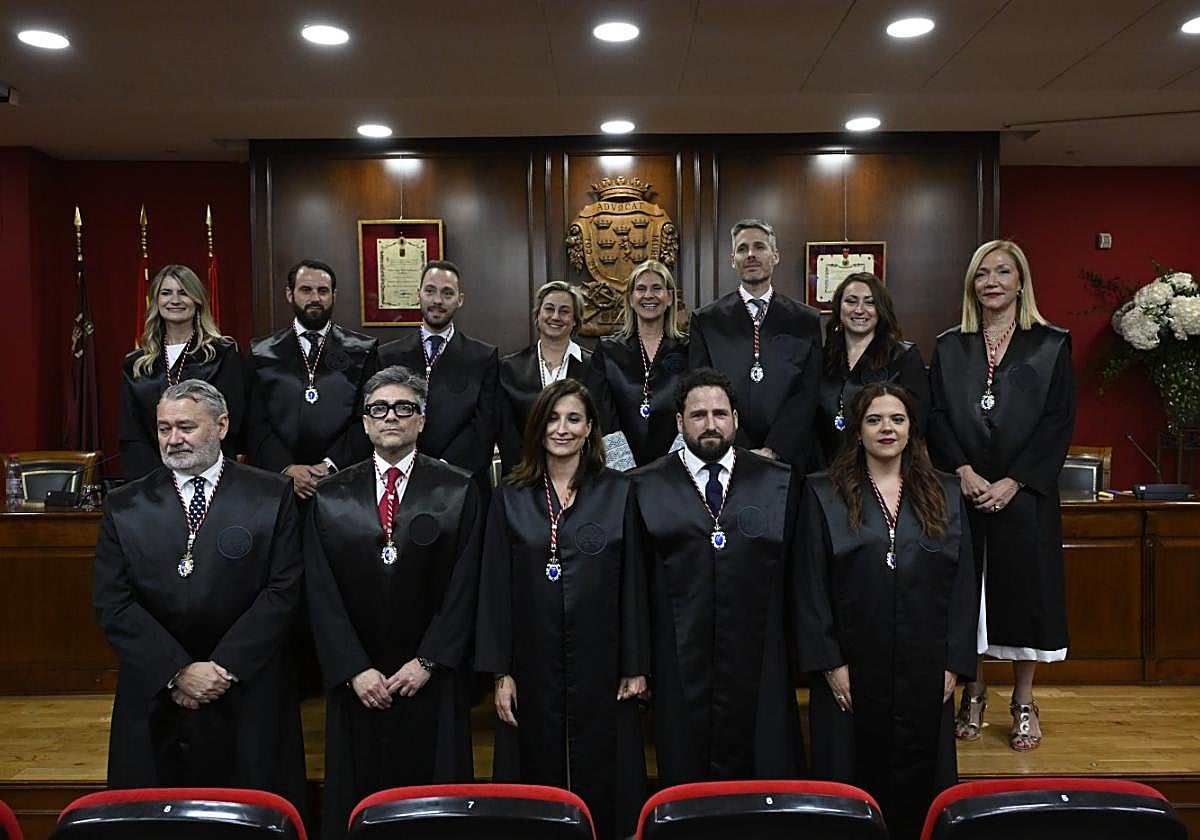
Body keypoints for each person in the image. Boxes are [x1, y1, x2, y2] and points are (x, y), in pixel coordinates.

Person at [93, 379, 305, 809]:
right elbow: (113, 601)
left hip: (246, 689)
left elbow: (284, 590)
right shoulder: (125, 504)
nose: (173, 439)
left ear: (221, 425)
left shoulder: (271, 494)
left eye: (186, 427)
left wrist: (223, 668)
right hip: (156, 691)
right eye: (164, 428)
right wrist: (177, 671)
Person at [305, 365, 483, 840]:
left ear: (422, 420)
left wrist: (428, 661)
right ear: (365, 422)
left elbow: (467, 585)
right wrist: (353, 669)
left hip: (430, 676)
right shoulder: (330, 495)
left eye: (404, 408)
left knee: (434, 806)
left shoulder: (459, 488)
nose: (391, 417)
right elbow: (320, 592)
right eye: (379, 409)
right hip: (359, 679)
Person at [799, 382, 976, 840]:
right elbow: (809, 586)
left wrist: (953, 664)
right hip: (850, 667)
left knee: (921, 791)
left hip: (925, 666)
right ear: (857, 430)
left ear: (911, 428)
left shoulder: (945, 492)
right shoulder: (823, 493)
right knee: (849, 788)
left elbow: (963, 586)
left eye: (897, 419)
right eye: (874, 419)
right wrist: (831, 664)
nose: (886, 429)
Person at [476, 378, 648, 840]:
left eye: (574, 419)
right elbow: (494, 588)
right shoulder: (510, 495)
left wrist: (635, 664)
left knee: (605, 771)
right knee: (534, 774)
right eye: (552, 419)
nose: (562, 429)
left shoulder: (619, 491)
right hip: (531, 660)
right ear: (537, 426)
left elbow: (634, 581)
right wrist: (500, 671)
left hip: (603, 659)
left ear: (590, 428)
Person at [927, 239, 1075, 752]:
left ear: (1020, 282)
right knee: (967, 596)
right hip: (965, 490)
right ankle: (973, 692)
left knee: (1024, 596)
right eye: (982, 273)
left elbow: (1058, 421)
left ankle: (1024, 701)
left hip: (1025, 493)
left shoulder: (1051, 343)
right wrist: (962, 470)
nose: (991, 281)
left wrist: (1015, 480)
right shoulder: (951, 346)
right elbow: (936, 416)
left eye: (1002, 272)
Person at [632, 367, 805, 785]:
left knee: (764, 773)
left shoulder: (778, 481)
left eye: (720, 414)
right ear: (680, 422)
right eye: (698, 415)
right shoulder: (644, 485)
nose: (710, 424)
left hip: (761, 655)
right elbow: (634, 583)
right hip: (678, 656)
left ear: (735, 419)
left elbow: (798, 578)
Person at [688, 219, 822, 472]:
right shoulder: (707, 321)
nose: (750, 254)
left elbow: (807, 392)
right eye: (742, 249)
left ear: (775, 256)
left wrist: (773, 449)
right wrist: (738, 448)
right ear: (733, 260)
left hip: (791, 456)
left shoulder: (805, 320)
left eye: (759, 247)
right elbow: (702, 389)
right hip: (727, 455)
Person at [245, 258, 379, 498]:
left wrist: (330, 466)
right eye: (306, 290)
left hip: (345, 481)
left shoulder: (363, 350)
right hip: (279, 484)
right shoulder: (261, 352)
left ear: (334, 295)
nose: (315, 298)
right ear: (290, 294)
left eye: (323, 291)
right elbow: (256, 423)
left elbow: (367, 417)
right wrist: (287, 468)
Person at [378, 260, 498, 493]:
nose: (437, 301)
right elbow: (382, 418)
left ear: (460, 300)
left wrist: (442, 468)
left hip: (462, 480)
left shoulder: (483, 357)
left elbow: (484, 425)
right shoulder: (388, 356)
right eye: (430, 291)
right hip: (402, 478)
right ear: (418, 295)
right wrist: (411, 466)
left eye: (447, 293)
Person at [120, 264, 246, 480]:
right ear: (156, 301)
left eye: (184, 292)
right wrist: (155, 482)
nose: (175, 300)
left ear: (197, 300)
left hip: (210, 473)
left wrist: (200, 471)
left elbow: (230, 423)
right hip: (151, 476)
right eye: (166, 293)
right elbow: (132, 432)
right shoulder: (136, 363)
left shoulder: (223, 354)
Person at [814, 272, 929, 466]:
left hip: (886, 467)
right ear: (839, 308)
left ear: (881, 309)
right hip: (826, 467)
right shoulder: (822, 358)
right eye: (851, 301)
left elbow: (918, 422)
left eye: (870, 302)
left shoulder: (903, 356)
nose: (859, 310)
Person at [587, 259, 690, 467]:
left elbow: (696, 405)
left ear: (670, 297)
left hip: (677, 467)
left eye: (657, 288)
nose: (648, 295)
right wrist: (624, 468)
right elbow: (601, 412)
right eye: (641, 289)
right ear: (631, 299)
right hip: (619, 467)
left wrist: (673, 466)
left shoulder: (690, 348)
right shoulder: (608, 350)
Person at [498, 281, 592, 474]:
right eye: (549, 309)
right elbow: (506, 431)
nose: (555, 316)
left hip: (582, 475)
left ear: (575, 320)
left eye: (564, 311)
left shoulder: (594, 367)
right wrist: (526, 472)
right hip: (524, 475)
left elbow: (600, 426)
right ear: (538, 315)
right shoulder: (510, 368)